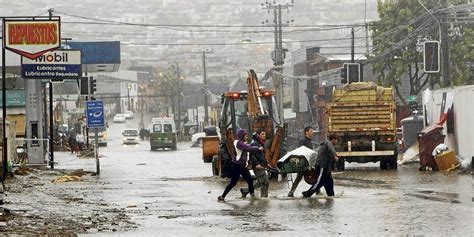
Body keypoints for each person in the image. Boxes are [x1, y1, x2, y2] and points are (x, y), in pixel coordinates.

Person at [218, 129, 263, 202]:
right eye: (245, 136)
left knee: (250, 180)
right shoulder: (239, 143)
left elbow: (246, 146)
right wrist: (258, 148)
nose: (247, 137)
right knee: (233, 183)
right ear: (242, 136)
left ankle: (252, 197)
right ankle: (222, 196)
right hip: (237, 166)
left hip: (242, 166)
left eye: (247, 136)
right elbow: (247, 148)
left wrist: (249, 145)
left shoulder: (240, 142)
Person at [240, 128, 269, 198]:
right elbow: (252, 156)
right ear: (258, 135)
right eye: (262, 134)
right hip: (257, 166)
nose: (264, 135)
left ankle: (245, 191)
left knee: (261, 182)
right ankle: (264, 198)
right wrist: (256, 164)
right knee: (265, 182)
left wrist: (266, 163)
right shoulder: (255, 143)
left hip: (261, 165)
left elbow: (261, 156)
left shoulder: (261, 143)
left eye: (265, 134)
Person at [288, 126, 314, 197]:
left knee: (314, 177)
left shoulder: (309, 141)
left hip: (308, 163)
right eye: (311, 131)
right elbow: (300, 152)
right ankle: (291, 193)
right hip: (303, 163)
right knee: (299, 178)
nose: (312, 133)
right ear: (306, 132)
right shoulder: (303, 141)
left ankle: (317, 191)